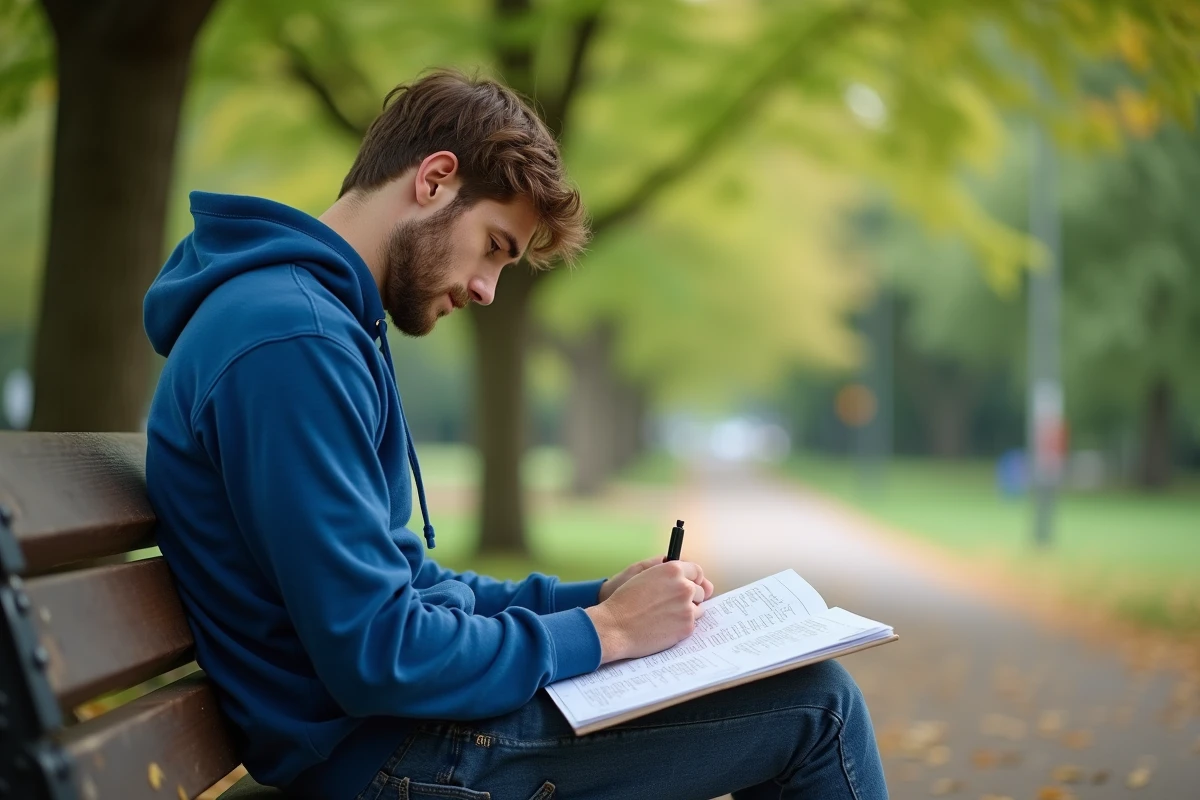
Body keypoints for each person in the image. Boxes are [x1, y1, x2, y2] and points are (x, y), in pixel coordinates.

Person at [143, 69, 888, 800]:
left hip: (385, 734)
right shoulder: (293, 342)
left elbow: (413, 590)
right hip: (384, 756)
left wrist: (593, 598)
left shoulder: (310, 324)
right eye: (495, 246)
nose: (486, 290)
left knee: (799, 692)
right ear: (434, 180)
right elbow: (379, 652)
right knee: (818, 708)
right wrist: (606, 633)